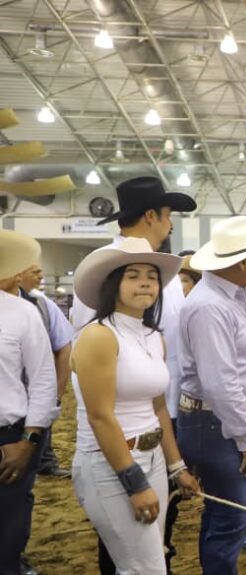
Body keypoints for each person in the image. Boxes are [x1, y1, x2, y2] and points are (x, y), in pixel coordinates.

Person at [68, 176, 196, 574]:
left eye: (151, 277)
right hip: (113, 458)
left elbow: (157, 405)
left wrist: (175, 466)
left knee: (149, 558)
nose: (145, 283)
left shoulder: (152, 336)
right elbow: (99, 413)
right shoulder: (98, 335)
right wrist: (133, 479)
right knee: (143, 565)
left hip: (153, 453)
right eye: (133, 275)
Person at [176, 216, 246, 574]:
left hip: (220, 419)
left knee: (226, 514)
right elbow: (219, 382)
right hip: (217, 422)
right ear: (242, 262)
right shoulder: (210, 306)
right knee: (233, 518)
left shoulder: (228, 295)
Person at [0, 231, 58, 575]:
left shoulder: (23, 312)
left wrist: (29, 441)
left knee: (9, 530)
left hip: (11, 438)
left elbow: (43, 379)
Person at [15, 262, 73, 479]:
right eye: (35, 272)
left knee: (38, 425)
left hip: (35, 386)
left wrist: (56, 393)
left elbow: (64, 347)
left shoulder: (42, 304)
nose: (41, 276)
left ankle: (44, 461)